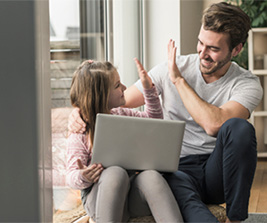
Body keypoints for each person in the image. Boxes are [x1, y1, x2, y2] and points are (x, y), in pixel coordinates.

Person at [69, 2, 263, 222]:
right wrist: (79, 111)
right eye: (201, 43)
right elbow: (115, 100)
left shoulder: (247, 84)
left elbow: (214, 124)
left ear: (236, 49)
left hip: (216, 173)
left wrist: (178, 80)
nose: (203, 53)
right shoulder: (168, 68)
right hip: (176, 172)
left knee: (240, 128)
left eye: (214, 49)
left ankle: (236, 218)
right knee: (194, 212)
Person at [66, 59, 183, 223]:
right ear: (100, 95)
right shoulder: (80, 130)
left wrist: (148, 89)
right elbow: (71, 176)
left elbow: (153, 123)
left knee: (151, 176)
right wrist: (83, 176)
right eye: (117, 85)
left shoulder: (122, 114)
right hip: (100, 199)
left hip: (130, 198)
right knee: (115, 172)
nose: (124, 88)